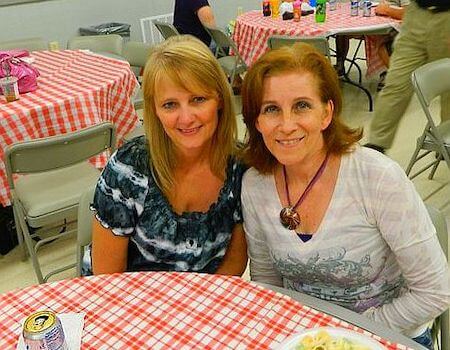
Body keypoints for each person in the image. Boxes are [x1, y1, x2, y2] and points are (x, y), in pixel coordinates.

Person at [240, 42, 450, 349]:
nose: (286, 125)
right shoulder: (255, 185)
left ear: (327, 113)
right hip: (306, 336)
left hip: (387, 333)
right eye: (271, 109)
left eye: (302, 105)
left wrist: (343, 334)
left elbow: (435, 292)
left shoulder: (377, 177)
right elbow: (267, 285)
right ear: (257, 122)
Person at [84, 35, 247, 276]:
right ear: (155, 110)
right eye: (170, 104)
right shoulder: (129, 169)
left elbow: (233, 265)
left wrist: (197, 310)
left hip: (205, 303)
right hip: (127, 300)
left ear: (220, 99)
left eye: (198, 99)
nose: (186, 118)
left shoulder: (240, 168)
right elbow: (108, 278)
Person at [366, 0, 450, 153]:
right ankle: (376, 146)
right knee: (396, 83)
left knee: (448, 89)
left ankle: (445, 147)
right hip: (416, 14)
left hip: (446, 18)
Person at [373, 0, 409, 90]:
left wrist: (386, 9)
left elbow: (407, 13)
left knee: (382, 42)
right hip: (385, 22)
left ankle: (395, 76)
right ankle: (340, 66)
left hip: (405, 27)